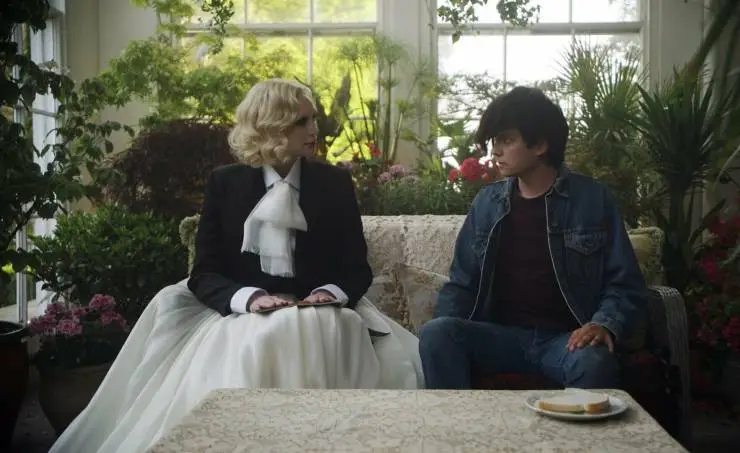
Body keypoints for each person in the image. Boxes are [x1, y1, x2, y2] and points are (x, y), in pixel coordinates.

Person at [50, 78, 423, 453]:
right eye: (302, 121)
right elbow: (204, 272)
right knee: (258, 339)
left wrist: (329, 293)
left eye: (313, 119)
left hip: (323, 309)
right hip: (243, 312)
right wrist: (251, 299)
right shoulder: (225, 183)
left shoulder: (335, 183)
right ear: (272, 126)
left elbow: (356, 268)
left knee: (320, 327)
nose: (314, 129)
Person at [418, 86, 647, 390]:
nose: (495, 151)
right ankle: (456, 422)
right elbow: (462, 283)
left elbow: (625, 283)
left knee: (593, 362)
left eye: (506, 140)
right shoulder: (487, 204)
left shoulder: (592, 199)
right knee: (436, 334)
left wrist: (602, 323)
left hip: (565, 341)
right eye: (494, 141)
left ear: (539, 144)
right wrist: (446, 326)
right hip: (501, 338)